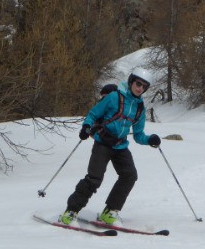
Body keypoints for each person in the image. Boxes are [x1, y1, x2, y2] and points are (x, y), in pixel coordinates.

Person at [59, 70, 161, 225]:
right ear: (131, 82)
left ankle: (110, 211)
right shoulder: (114, 97)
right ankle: (70, 212)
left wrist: (150, 140)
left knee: (130, 175)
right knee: (94, 179)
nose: (140, 88)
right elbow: (93, 114)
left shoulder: (140, 108)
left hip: (120, 146)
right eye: (138, 83)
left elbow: (139, 135)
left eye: (144, 86)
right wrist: (86, 127)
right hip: (103, 143)